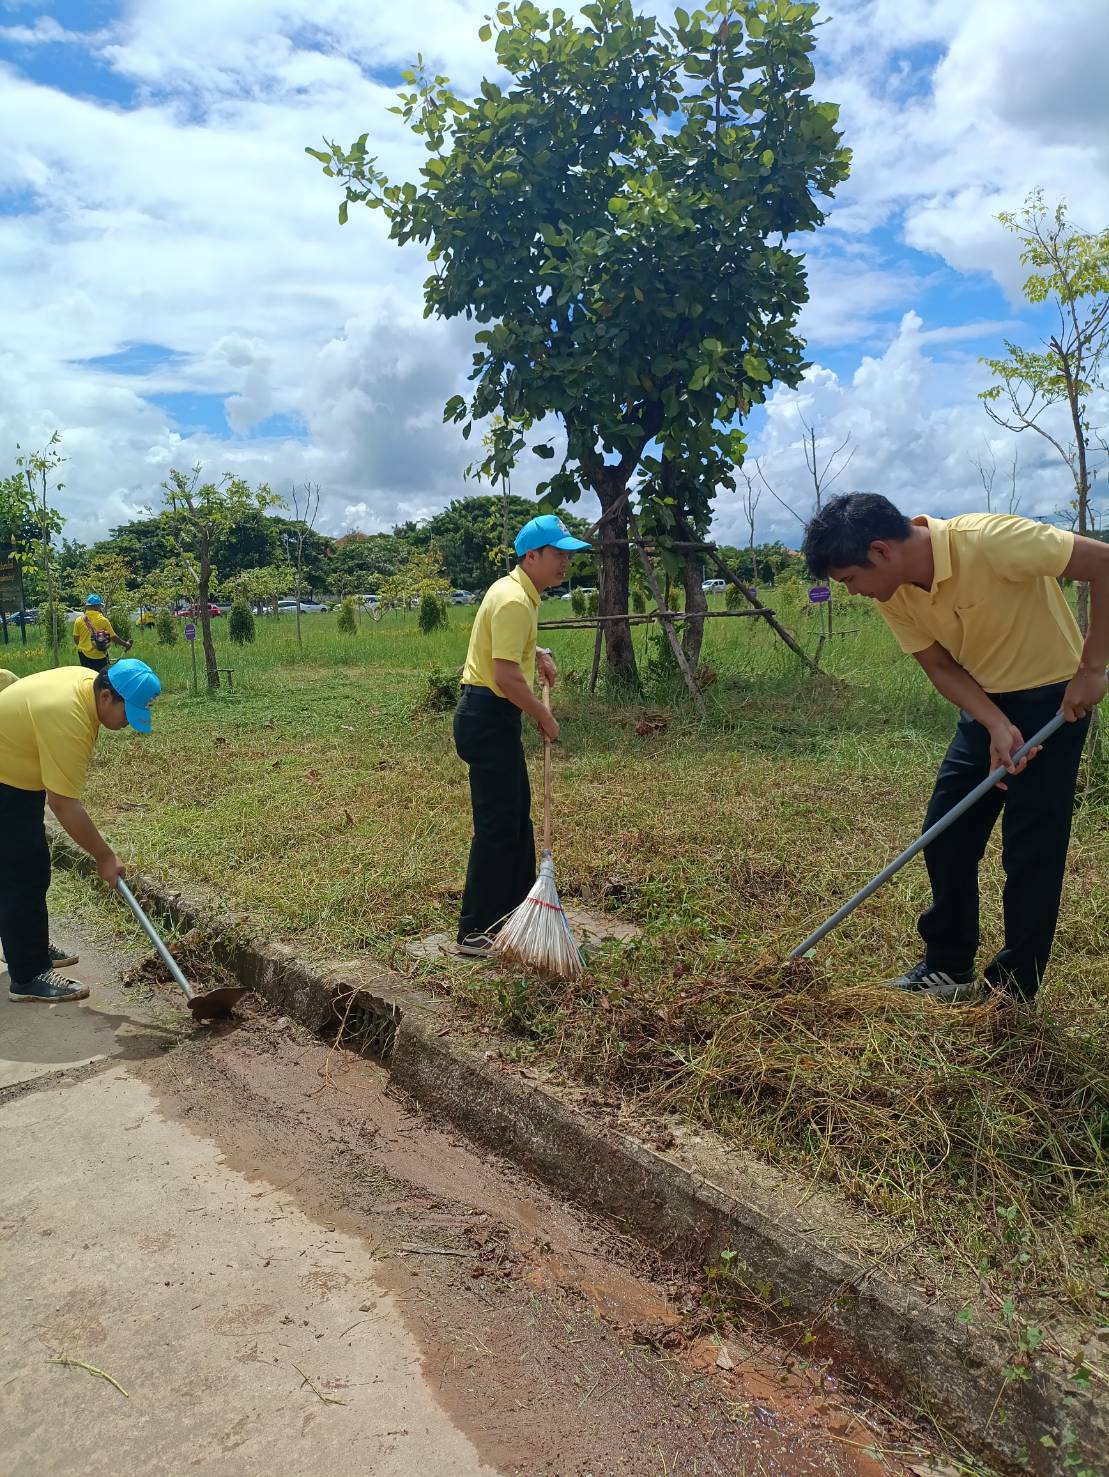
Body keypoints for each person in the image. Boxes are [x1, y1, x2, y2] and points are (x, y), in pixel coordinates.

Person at [802, 494, 1109, 1005]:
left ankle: (1012, 988)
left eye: (849, 580)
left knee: (1031, 849)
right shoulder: (894, 593)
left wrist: (1092, 669)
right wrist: (993, 724)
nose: (854, 593)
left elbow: (1103, 563)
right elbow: (941, 667)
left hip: (1056, 700)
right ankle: (949, 965)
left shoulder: (990, 541)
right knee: (945, 834)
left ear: (879, 550)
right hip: (985, 705)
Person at [453, 514, 591, 957]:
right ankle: (475, 930)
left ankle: (514, 914)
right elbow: (507, 676)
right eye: (557, 554)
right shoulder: (515, 599)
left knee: (516, 820)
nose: (565, 562)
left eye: (567, 555)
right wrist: (543, 717)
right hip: (488, 716)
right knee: (497, 825)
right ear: (531, 556)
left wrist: (539, 651)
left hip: (493, 716)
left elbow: (509, 646)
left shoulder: (517, 592)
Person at [0, 658, 161, 1003]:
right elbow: (64, 804)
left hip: (15, 773)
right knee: (23, 872)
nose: (128, 724)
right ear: (107, 696)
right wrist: (104, 856)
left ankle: (25, 942)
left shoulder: (87, 682)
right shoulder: (69, 717)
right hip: (5, 779)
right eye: (127, 713)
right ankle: (27, 975)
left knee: (24, 865)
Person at [72, 593, 131, 671]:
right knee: (101, 679)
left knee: (87, 678)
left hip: (83, 655)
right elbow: (113, 637)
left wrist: (85, 646)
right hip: (99, 655)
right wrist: (126, 644)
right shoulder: (103, 620)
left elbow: (76, 639)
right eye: (100, 606)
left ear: (87, 606)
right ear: (97, 606)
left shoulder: (79, 620)